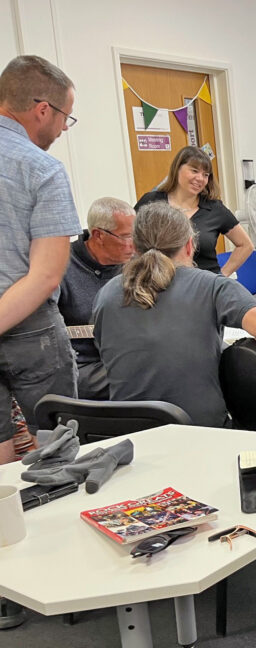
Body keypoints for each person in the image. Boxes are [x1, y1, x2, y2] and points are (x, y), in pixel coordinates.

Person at [93, 203, 256, 428]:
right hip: (201, 432)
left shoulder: (106, 294)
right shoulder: (211, 286)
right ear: (189, 245)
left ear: (135, 247)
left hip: (129, 436)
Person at [0, 55, 79, 466]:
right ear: (43, 110)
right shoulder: (42, 168)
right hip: (29, 329)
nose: (64, 128)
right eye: (66, 116)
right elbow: (46, 275)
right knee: (57, 452)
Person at [57, 197, 136, 400]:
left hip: (128, 357)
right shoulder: (59, 267)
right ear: (98, 235)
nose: (134, 246)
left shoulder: (135, 264)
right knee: (145, 380)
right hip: (83, 365)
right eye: (127, 237)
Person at [135, 146, 253, 277]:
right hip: (160, 282)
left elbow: (245, 245)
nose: (200, 178)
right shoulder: (151, 201)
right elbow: (130, 239)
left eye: (205, 175)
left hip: (203, 283)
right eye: (194, 171)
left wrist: (221, 276)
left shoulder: (215, 208)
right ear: (177, 168)